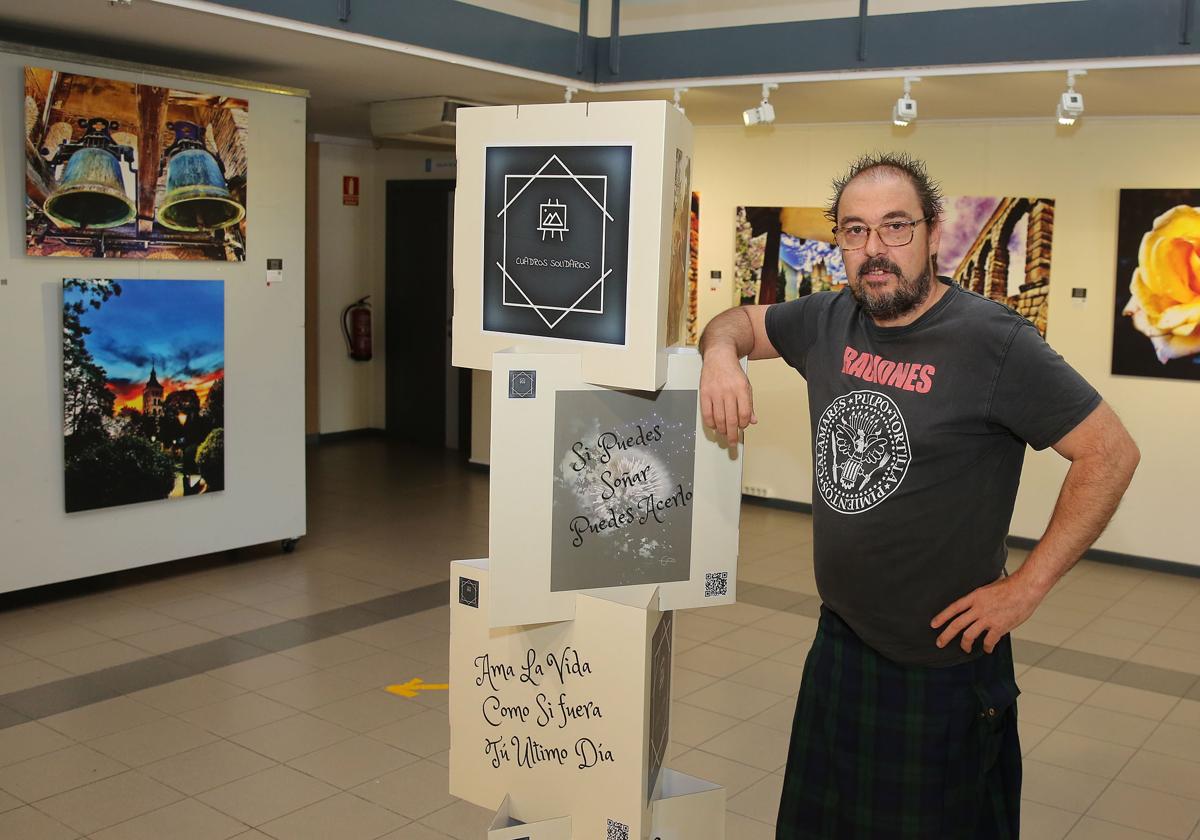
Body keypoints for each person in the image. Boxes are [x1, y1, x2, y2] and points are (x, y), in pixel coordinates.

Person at [698, 152, 1140, 839]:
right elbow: (735, 323)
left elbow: (1110, 453)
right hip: (841, 644)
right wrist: (720, 357)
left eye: (895, 227)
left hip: (943, 669)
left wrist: (1027, 586)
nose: (874, 250)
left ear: (933, 234)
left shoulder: (994, 342)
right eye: (853, 230)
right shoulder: (827, 318)